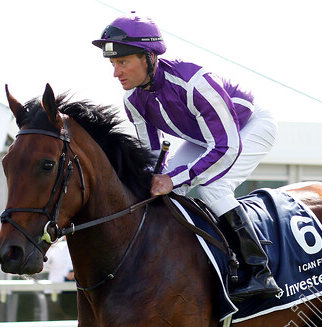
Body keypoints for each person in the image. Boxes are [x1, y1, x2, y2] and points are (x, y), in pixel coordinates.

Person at [92, 13, 280, 301]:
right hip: (206, 139)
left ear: (148, 57)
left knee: (210, 186)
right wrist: (154, 180)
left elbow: (225, 147)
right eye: (114, 64)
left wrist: (173, 178)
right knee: (160, 190)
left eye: (123, 62)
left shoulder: (194, 83)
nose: (116, 72)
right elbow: (152, 157)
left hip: (250, 127)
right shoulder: (133, 100)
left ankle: (260, 270)